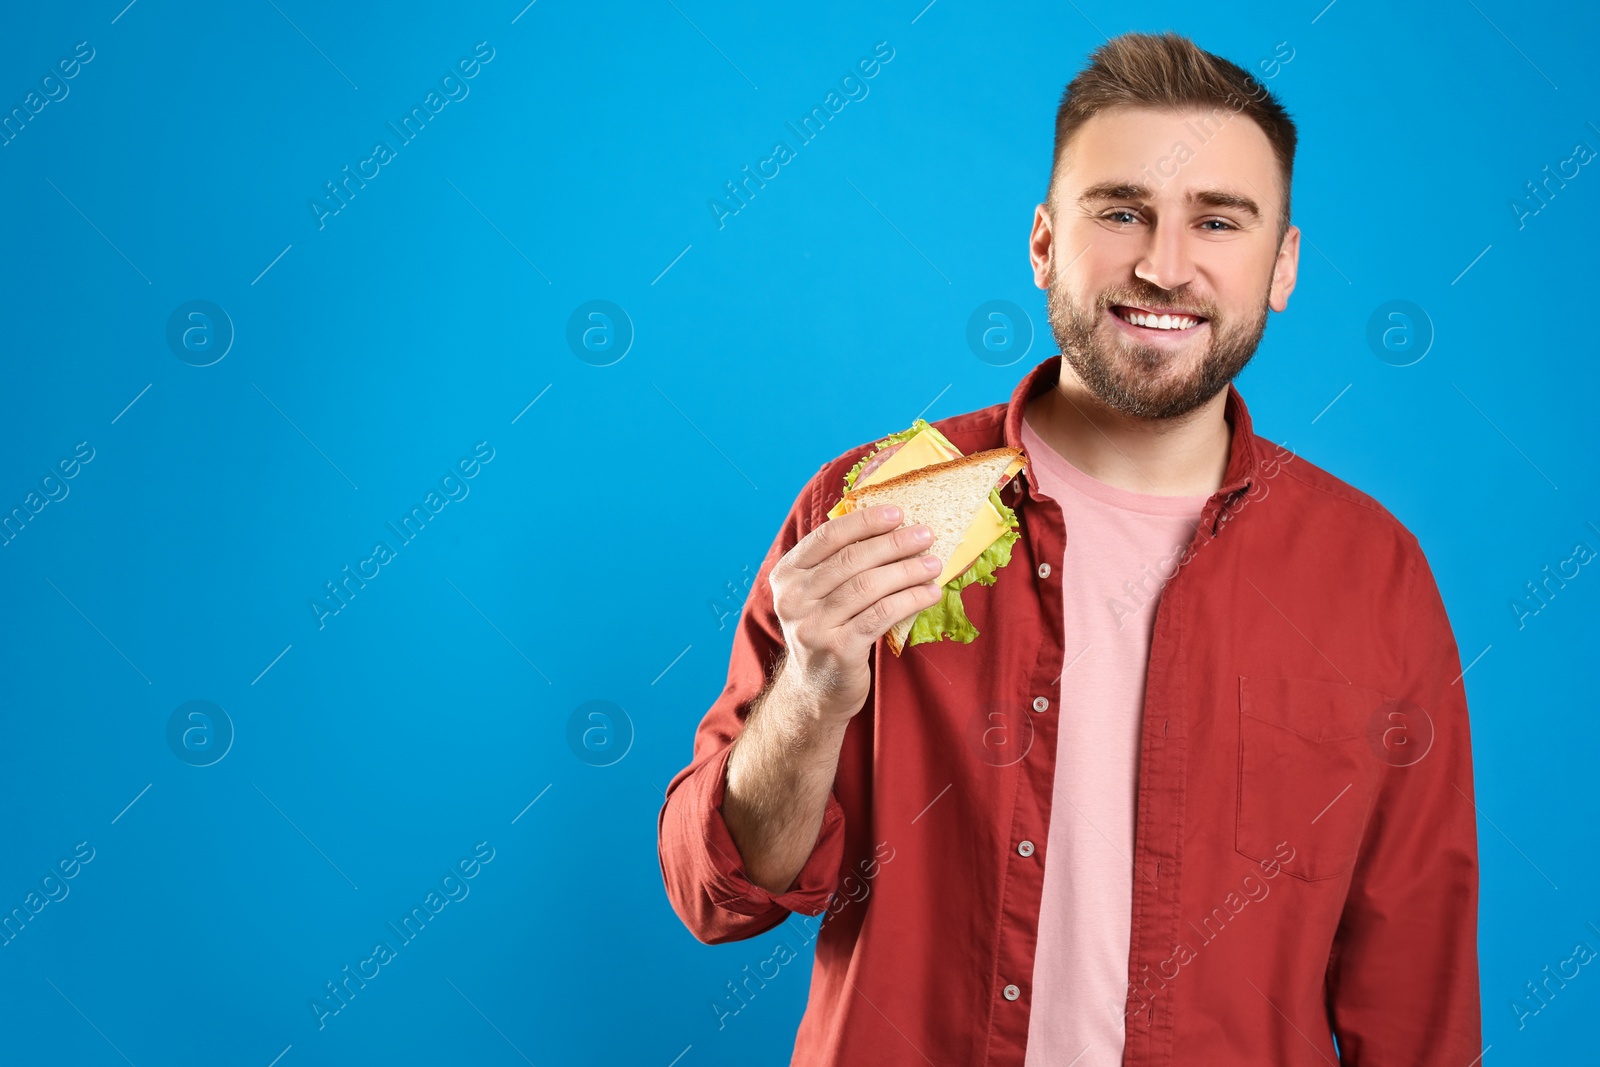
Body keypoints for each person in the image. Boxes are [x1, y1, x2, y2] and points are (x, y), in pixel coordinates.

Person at [657, 30, 1481, 1067]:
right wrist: (816, 687)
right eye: (1120, 210)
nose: (1162, 264)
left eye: (1217, 221)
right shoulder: (870, 502)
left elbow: (1415, 992)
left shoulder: (1373, 573)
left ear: (1282, 266)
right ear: (1044, 243)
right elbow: (720, 890)